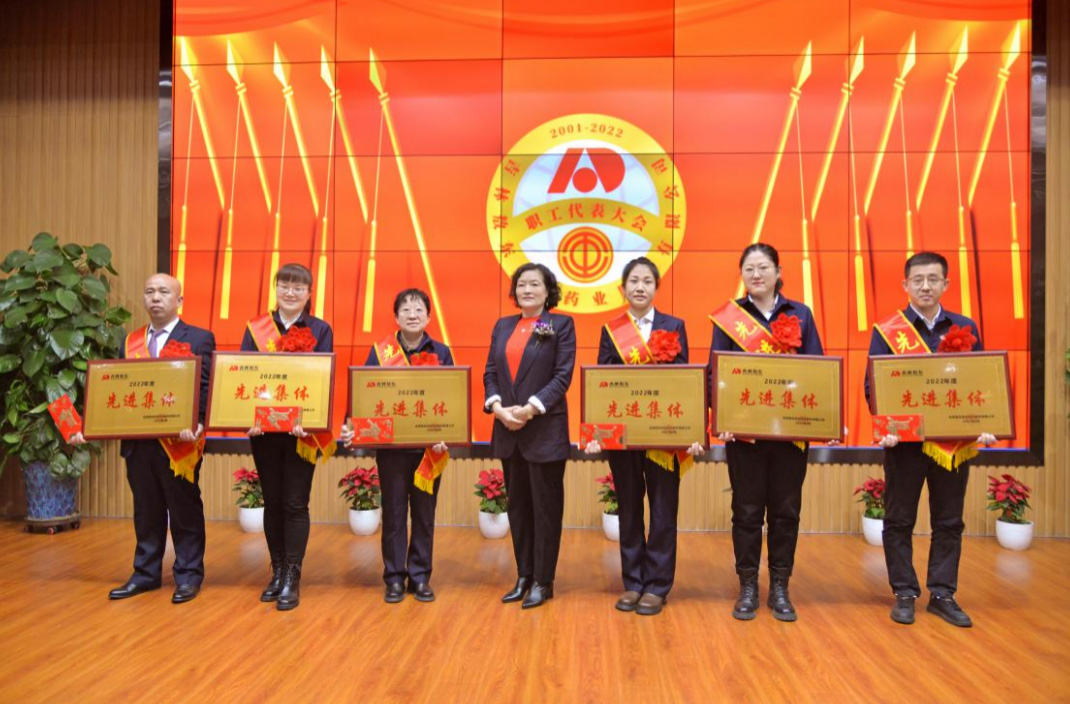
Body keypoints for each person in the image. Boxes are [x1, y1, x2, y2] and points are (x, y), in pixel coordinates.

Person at [867, 251, 997, 628]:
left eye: (933, 279)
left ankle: (942, 593)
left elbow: (980, 382)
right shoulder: (887, 331)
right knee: (898, 519)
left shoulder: (965, 327)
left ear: (946, 284)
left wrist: (985, 421)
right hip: (905, 445)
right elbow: (873, 385)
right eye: (918, 279)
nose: (925, 286)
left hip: (952, 445)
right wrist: (886, 426)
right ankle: (904, 592)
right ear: (905, 285)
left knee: (949, 520)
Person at [72, 273, 214, 604]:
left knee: (184, 509)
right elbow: (118, 389)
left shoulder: (199, 338)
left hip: (179, 443)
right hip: (138, 442)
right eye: (149, 292)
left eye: (164, 292)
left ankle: (188, 575)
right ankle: (146, 573)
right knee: (146, 509)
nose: (156, 297)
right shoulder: (129, 341)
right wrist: (92, 426)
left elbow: (205, 386)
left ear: (179, 300)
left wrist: (198, 423)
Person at [708, 243, 824, 622]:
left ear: (778, 272)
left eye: (763, 267)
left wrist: (823, 418)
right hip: (745, 435)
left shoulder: (800, 314)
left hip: (790, 435)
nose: (756, 275)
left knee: (786, 512)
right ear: (742, 275)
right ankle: (747, 586)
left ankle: (779, 586)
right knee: (746, 511)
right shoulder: (730, 318)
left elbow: (817, 371)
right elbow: (714, 374)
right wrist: (721, 417)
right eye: (749, 269)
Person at [583, 257, 701, 616]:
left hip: (663, 436)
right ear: (623, 288)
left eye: (647, 281)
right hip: (625, 436)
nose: (640, 287)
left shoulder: (674, 326)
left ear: (656, 287)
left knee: (663, 510)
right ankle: (633, 582)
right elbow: (602, 382)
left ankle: (658, 586)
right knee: (630, 508)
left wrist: (692, 430)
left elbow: (685, 383)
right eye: (633, 280)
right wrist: (596, 432)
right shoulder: (611, 330)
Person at [339, 288, 452, 604]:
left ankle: (420, 577)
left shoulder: (442, 352)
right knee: (393, 513)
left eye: (418, 310)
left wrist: (449, 432)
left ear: (428, 317)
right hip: (391, 448)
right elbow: (363, 392)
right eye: (406, 310)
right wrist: (352, 426)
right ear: (396, 317)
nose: (412, 315)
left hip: (429, 449)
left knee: (424, 515)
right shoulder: (380, 352)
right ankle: (394, 578)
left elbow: (452, 396)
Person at [242, 263, 334, 611]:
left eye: (298, 288)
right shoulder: (255, 329)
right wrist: (246, 417)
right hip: (264, 430)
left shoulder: (320, 329)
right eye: (285, 285)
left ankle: (293, 575)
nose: (291, 292)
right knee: (273, 500)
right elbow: (244, 374)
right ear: (276, 288)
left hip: (301, 433)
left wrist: (310, 417)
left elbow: (323, 377)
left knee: (295, 502)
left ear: (309, 294)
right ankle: (277, 570)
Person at [483, 263, 576, 609]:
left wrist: (529, 409)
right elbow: (491, 373)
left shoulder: (560, 325)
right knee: (518, 508)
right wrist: (498, 408)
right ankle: (523, 576)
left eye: (535, 284)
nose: (527, 290)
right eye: (522, 284)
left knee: (546, 510)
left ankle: (543, 581)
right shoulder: (503, 325)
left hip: (544, 431)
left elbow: (562, 376)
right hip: (508, 430)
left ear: (547, 291)